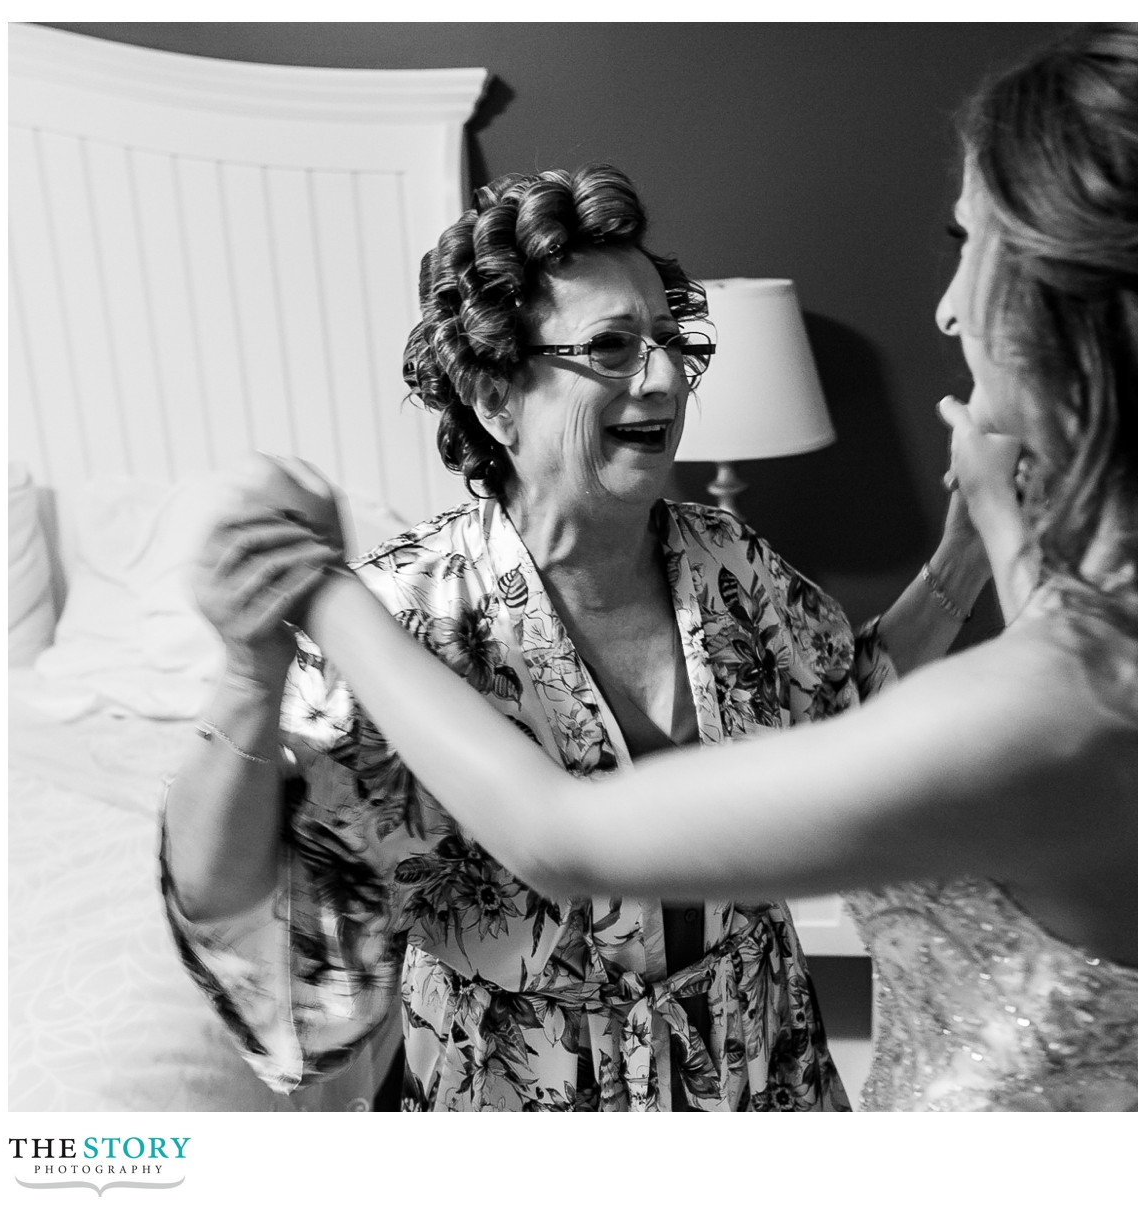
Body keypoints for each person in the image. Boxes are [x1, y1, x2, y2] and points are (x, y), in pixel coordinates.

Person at [220, 22, 1138, 1111]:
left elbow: (574, 826)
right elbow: (270, 897)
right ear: (490, 390)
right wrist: (988, 536)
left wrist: (315, 581)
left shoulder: (1019, 690)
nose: (950, 306)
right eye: (607, 348)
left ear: (1076, 303)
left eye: (972, 246)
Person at [160, 163, 991, 1112]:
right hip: (524, 1094)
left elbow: (854, 711)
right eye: (611, 345)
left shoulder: (730, 561)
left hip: (759, 1058)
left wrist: (965, 555)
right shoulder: (405, 619)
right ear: (493, 395)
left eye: (670, 340)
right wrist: (245, 671)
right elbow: (236, 894)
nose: (667, 375)